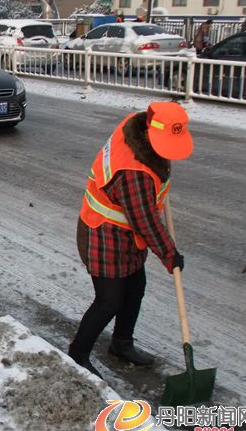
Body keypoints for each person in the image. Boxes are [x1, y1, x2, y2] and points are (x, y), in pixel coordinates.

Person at [68, 102, 193, 377]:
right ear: (150, 132)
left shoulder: (135, 124)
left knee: (135, 288)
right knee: (109, 300)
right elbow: (145, 221)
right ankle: (77, 355)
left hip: (126, 236)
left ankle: (121, 343)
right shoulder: (133, 174)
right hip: (102, 234)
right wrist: (169, 254)